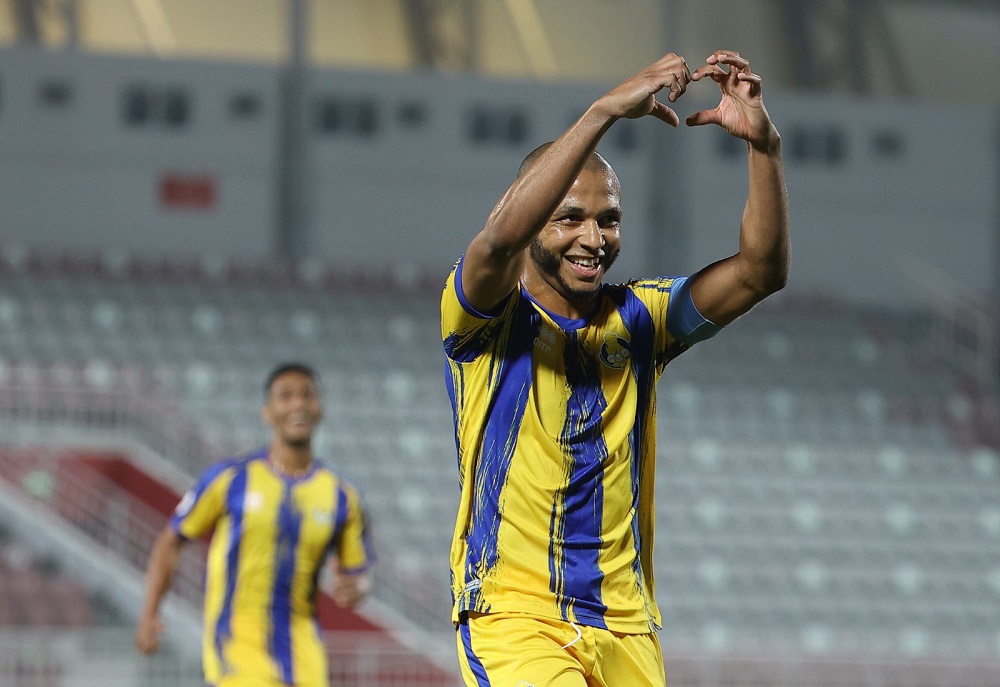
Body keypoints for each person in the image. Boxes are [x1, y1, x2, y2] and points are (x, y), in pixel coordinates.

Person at [441, 50, 789, 686]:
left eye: (609, 220)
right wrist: (601, 112)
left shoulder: (641, 318)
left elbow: (760, 273)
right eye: (569, 217)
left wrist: (764, 147)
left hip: (627, 626)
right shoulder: (483, 319)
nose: (593, 238)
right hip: (516, 619)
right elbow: (495, 242)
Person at [135, 362, 374, 687]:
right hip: (236, 640)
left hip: (304, 649)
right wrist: (150, 614)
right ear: (268, 412)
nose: (298, 404)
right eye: (285, 396)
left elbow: (357, 574)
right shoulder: (231, 478)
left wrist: (358, 589)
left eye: (306, 395)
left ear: (319, 408)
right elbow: (171, 540)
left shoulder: (340, 495)